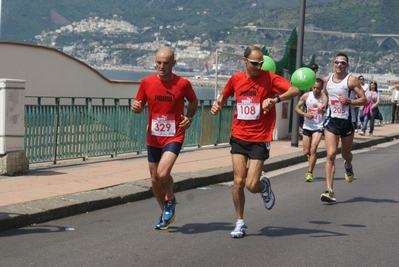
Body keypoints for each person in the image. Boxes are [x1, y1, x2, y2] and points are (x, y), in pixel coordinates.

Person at [210, 46, 300, 238]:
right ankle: (240, 222)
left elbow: (294, 89)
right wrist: (217, 105)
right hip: (239, 135)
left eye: (260, 63)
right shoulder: (236, 79)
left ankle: (264, 186)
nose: (258, 66)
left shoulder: (270, 78)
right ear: (244, 61)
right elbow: (223, 97)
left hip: (260, 137)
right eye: (254, 63)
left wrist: (275, 99)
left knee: (251, 185)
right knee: (238, 181)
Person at [131, 47, 198, 230]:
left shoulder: (182, 84)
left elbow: (194, 101)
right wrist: (135, 108)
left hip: (174, 135)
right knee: (154, 180)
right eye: (159, 62)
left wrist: (188, 117)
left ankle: (170, 197)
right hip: (153, 137)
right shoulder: (146, 82)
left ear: (173, 64)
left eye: (166, 63)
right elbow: (138, 105)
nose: (161, 66)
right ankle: (165, 214)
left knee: (162, 174)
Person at [320, 52, 366, 203]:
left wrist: (349, 101)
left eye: (342, 62)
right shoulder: (328, 79)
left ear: (347, 65)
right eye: (336, 62)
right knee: (331, 154)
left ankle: (348, 164)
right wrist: (324, 104)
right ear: (333, 63)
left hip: (347, 121)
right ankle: (329, 190)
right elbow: (326, 93)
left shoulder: (351, 80)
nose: (339, 64)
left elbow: (364, 100)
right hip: (332, 120)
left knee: (346, 154)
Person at [295, 78, 325, 182]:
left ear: (322, 88)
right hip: (307, 126)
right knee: (306, 151)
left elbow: (329, 109)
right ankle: (311, 157)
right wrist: (305, 114)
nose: (316, 90)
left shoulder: (324, 97)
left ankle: (309, 172)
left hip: (319, 125)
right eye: (314, 87)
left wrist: (324, 110)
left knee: (313, 148)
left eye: (318, 88)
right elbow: (297, 108)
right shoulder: (306, 96)